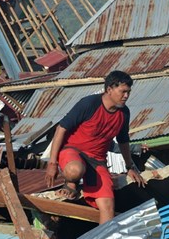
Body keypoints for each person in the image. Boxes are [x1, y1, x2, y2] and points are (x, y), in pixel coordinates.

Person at [45, 70, 146, 223]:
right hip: (73, 152)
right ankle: (70, 183)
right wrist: (52, 163)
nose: (126, 96)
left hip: (97, 161)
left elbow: (123, 141)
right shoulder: (89, 104)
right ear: (109, 89)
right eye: (123, 91)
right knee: (75, 170)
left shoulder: (124, 113)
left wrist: (129, 166)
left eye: (128, 92)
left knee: (108, 205)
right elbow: (61, 129)